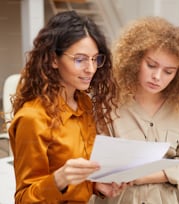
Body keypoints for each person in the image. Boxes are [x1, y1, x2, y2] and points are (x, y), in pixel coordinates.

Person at [8, 11, 124, 203]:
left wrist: (95, 185)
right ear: (54, 59)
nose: (91, 69)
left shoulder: (84, 103)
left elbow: (77, 177)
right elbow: (24, 199)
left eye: (95, 59)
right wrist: (59, 179)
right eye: (80, 59)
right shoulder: (33, 118)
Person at [94, 16, 179, 204]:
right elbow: (94, 161)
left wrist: (143, 177)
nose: (157, 76)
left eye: (168, 71)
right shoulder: (109, 104)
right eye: (151, 65)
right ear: (135, 59)